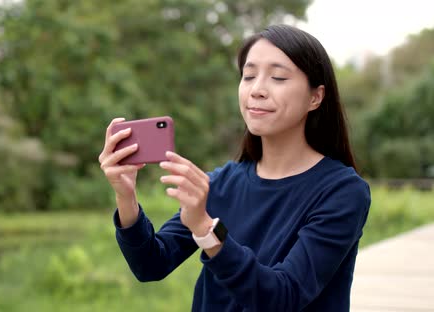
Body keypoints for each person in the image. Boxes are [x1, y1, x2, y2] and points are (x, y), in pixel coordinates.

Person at [98, 24, 371, 312]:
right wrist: (126, 196)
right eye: (249, 76)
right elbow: (151, 264)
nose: (257, 90)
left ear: (315, 97)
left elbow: (283, 298)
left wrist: (206, 229)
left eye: (278, 77)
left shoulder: (343, 192)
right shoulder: (222, 183)